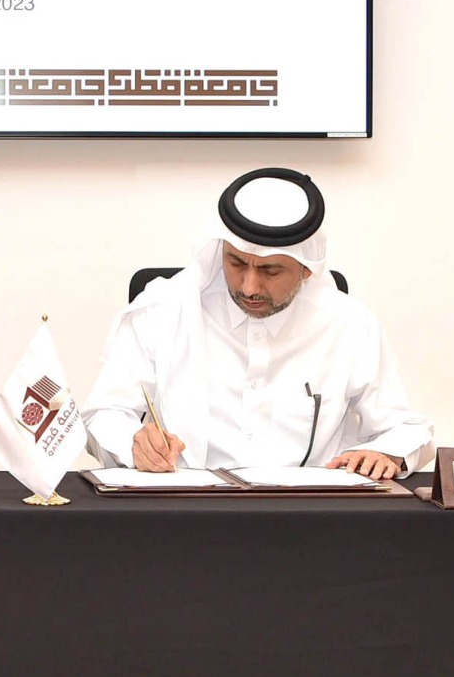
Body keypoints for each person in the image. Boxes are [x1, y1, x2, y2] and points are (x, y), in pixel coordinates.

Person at [82, 167, 433, 480]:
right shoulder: (162, 310)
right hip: (183, 517)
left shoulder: (350, 324)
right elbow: (103, 413)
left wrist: (388, 452)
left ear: (306, 270)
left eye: (270, 270)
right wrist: (133, 444)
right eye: (236, 263)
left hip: (310, 525)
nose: (249, 287)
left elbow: (404, 427)